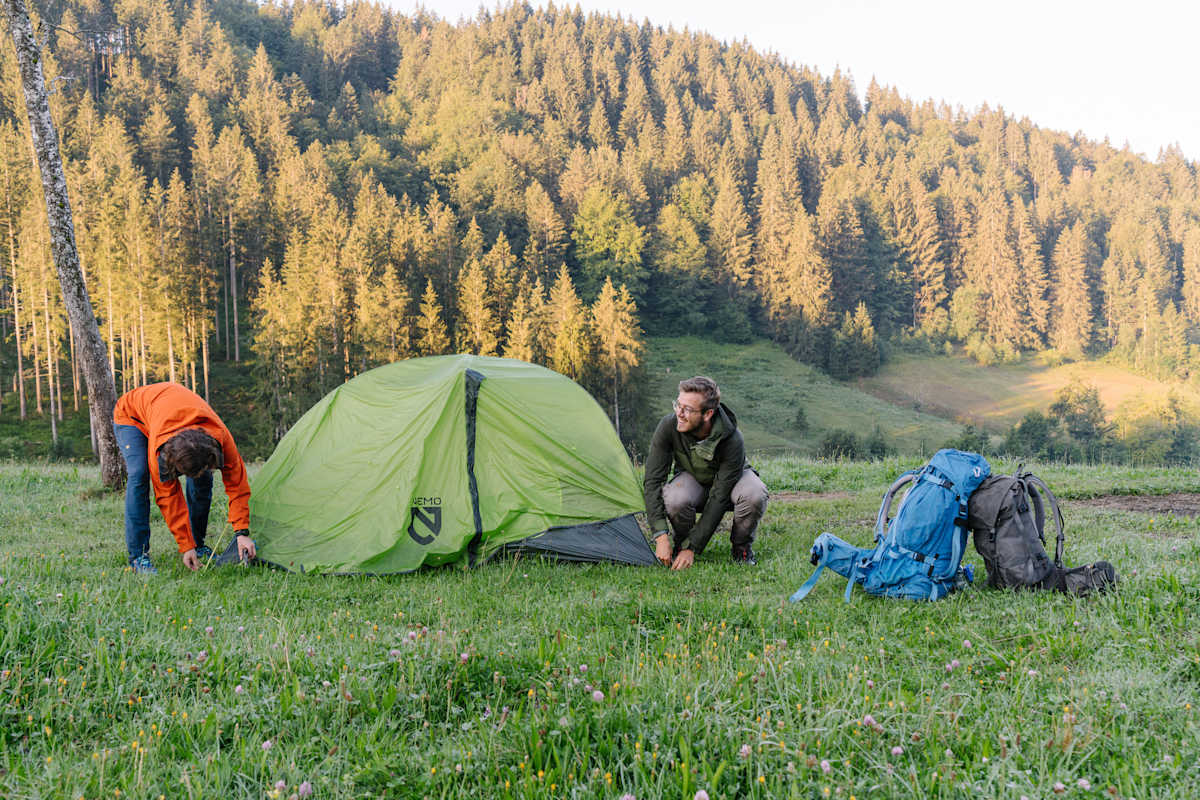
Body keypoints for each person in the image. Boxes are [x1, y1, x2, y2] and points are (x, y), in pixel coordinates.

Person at [113, 382, 256, 574]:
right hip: (132, 416)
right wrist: (184, 545)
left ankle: (198, 544)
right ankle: (138, 557)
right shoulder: (161, 450)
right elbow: (168, 498)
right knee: (139, 474)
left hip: (171, 410)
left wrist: (242, 532)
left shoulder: (220, 437)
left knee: (203, 479)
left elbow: (237, 484)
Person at [643, 376, 768, 569]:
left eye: (688, 409)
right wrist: (660, 535)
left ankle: (741, 549)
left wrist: (693, 547)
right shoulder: (668, 426)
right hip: (692, 477)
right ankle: (680, 544)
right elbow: (652, 481)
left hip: (732, 481)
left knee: (754, 494)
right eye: (678, 405)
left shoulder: (733, 439)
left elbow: (719, 497)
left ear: (708, 414)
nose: (680, 413)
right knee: (675, 497)